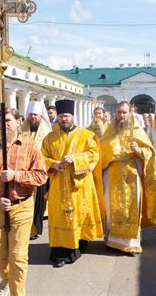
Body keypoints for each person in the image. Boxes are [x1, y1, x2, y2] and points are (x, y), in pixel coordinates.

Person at [0, 107, 48, 296]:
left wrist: (16, 175)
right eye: (1, 121)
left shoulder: (30, 148)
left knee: (18, 256)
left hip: (21, 207)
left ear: (18, 122)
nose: (4, 124)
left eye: (8, 120)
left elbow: (41, 177)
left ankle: (17, 293)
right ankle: (7, 278)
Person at [41, 99, 104, 268]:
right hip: (58, 182)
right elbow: (42, 157)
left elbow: (94, 155)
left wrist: (75, 158)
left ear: (72, 116)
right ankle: (60, 252)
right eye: (61, 116)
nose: (64, 119)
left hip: (79, 185)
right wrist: (53, 164)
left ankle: (78, 244)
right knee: (59, 217)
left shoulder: (86, 135)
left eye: (67, 116)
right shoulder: (49, 138)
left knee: (77, 216)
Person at [100, 101, 156, 255]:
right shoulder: (109, 131)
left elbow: (150, 153)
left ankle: (131, 243)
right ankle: (112, 241)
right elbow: (101, 151)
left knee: (131, 208)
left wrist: (139, 150)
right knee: (111, 208)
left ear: (130, 113)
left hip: (131, 175)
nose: (121, 115)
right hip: (112, 175)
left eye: (124, 112)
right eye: (119, 112)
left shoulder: (137, 130)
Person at [20, 101, 52, 240]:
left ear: (40, 116)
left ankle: (35, 229)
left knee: (38, 203)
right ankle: (25, 228)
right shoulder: (22, 129)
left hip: (39, 172)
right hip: (24, 172)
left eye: (36, 115)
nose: (33, 117)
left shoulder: (47, 131)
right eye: (31, 114)